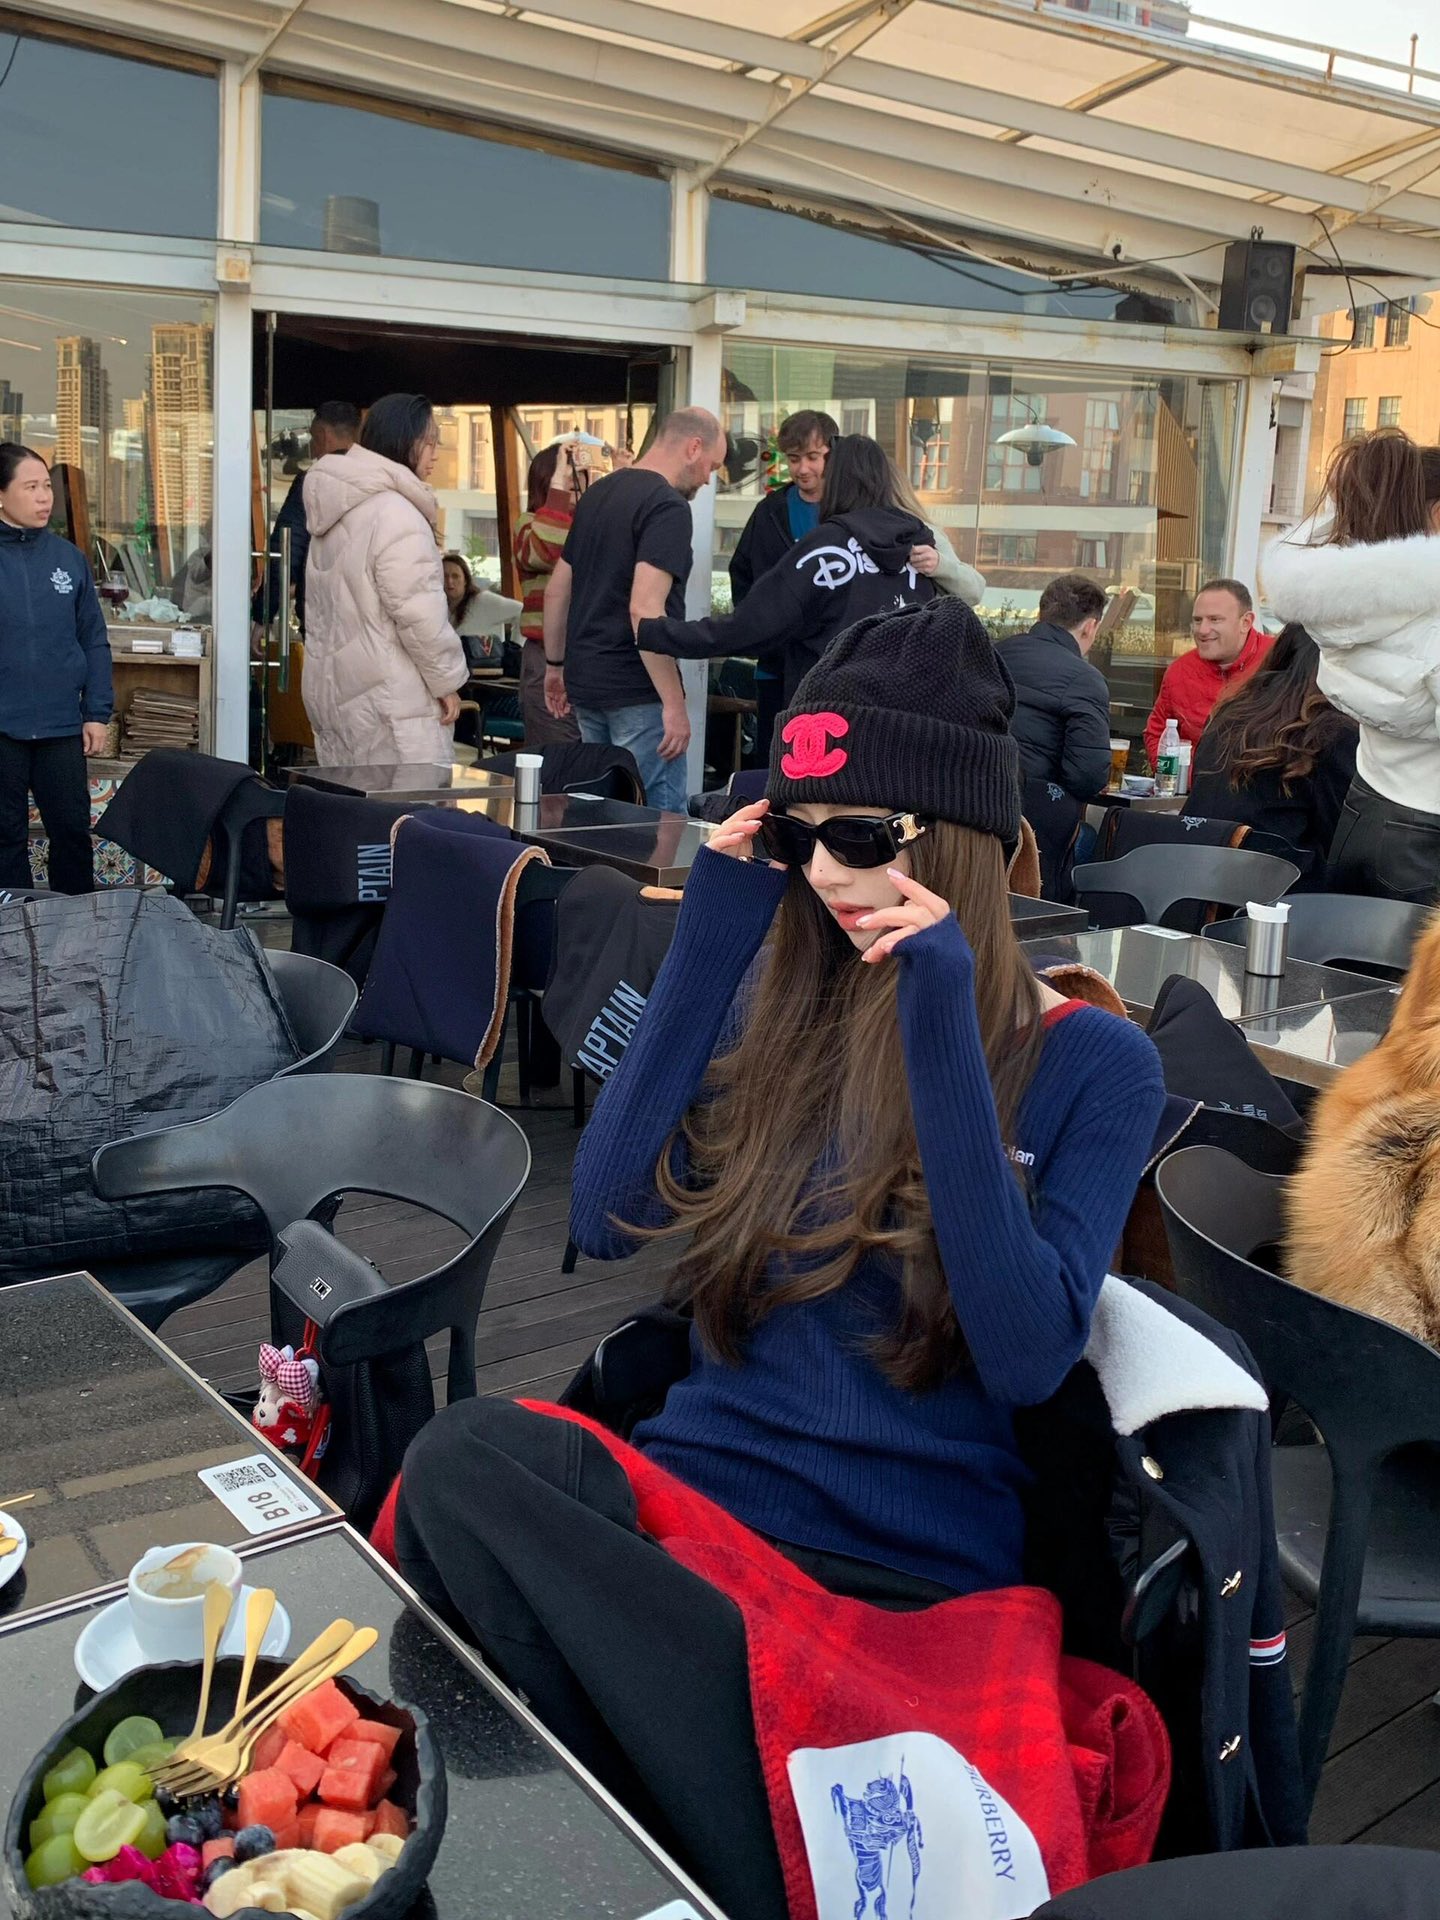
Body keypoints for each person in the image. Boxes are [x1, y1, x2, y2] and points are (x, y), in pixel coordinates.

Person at [391, 599, 1167, 1914]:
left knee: (502, 1620)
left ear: (960, 846)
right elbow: (603, 1215)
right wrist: (711, 928)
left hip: (900, 1584)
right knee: (464, 1459)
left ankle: (689, 1839)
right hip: (694, 1531)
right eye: (800, 836)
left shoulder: (1095, 1061)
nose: (824, 872)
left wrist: (939, 1020)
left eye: (862, 838)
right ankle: (752, 1830)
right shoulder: (788, 1002)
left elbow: (1027, 1358)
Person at [1261, 430, 1440, 903]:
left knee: (1353, 950)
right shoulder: (1428, 614)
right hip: (1427, 832)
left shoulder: (1345, 606)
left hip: (1362, 811)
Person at [635, 434, 937, 705]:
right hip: (903, 709)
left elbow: (752, 624)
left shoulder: (827, 546)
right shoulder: (918, 544)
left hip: (829, 711)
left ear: (837, 482)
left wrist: (654, 631)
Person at [543, 407, 727, 813]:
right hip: (637, 688)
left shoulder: (597, 495)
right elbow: (644, 610)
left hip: (587, 682)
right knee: (655, 823)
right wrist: (674, 703)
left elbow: (557, 591)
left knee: (599, 815)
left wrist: (555, 666)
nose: (707, 479)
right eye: (712, 466)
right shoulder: (667, 506)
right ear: (694, 447)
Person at [302, 393, 467, 768]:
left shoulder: (338, 510)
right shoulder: (397, 513)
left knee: (348, 802)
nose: (436, 453)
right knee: (410, 804)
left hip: (338, 697)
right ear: (404, 441)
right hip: (393, 703)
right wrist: (447, 682)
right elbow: (418, 614)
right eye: (430, 441)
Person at [0, 444, 113, 893]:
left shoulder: (68, 559)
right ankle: (12, 924)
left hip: (62, 726)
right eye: (30, 487)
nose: (44, 496)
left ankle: (79, 924)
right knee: (5, 838)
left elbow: (93, 639)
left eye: (47, 486)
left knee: (71, 833)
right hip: (3, 728)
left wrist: (97, 712)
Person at [1184, 625, 1358, 887]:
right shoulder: (1333, 731)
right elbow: (1346, 838)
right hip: (1276, 887)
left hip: (1195, 876)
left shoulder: (1230, 713)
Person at [997, 573, 1114, 801]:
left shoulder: (995, 652)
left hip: (970, 795)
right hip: (1032, 804)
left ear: (1040, 615)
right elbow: (1087, 777)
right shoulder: (1086, 680)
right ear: (1090, 627)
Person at [252, 402, 361, 635]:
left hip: (320, 621)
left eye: (313, 437)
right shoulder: (379, 483)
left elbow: (286, 550)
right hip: (366, 622)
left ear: (323, 435)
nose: (312, 446)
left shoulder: (311, 484)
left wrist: (263, 615)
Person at [1143, 579, 1270, 769]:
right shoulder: (1180, 672)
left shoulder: (1280, 661)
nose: (1202, 630)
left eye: (1214, 619)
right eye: (1197, 620)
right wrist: (1180, 777)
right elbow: (1157, 733)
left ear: (1246, 622)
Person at [512, 444, 580, 747]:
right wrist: (558, 493)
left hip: (587, 655)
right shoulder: (528, 524)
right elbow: (544, 550)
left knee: (592, 758)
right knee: (557, 756)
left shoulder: (588, 525)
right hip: (545, 654)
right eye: (567, 476)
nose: (574, 482)